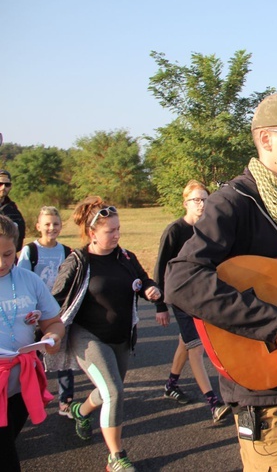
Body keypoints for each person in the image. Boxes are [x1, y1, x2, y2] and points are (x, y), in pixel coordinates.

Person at [164, 92, 277, 471]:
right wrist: (275, 322)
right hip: (261, 386)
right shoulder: (233, 203)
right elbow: (182, 278)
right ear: (266, 139)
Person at [46, 196, 161, 472]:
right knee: (113, 391)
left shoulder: (126, 257)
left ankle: (80, 412)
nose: (116, 235)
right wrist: (46, 328)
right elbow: (54, 300)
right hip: (87, 337)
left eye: (118, 229)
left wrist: (150, 289)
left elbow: (143, 279)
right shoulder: (78, 261)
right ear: (91, 233)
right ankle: (116, 456)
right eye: (110, 231)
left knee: (110, 391)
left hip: (120, 337)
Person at [154, 180, 230, 423]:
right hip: (180, 299)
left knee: (185, 343)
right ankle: (213, 403)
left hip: (201, 297)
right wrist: (160, 306)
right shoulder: (174, 230)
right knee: (196, 347)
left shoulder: (208, 229)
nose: (201, 204)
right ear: (185, 203)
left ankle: (171, 384)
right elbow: (160, 268)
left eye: (205, 199)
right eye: (196, 200)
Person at [0, 214, 65, 472]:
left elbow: (54, 322)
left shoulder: (29, 281)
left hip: (22, 386)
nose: (2, 262)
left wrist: (53, 337)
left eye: (7, 254)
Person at [17, 206, 74, 418]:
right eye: (47, 224)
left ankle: (65, 400)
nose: (52, 228)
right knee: (33, 359)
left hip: (57, 313)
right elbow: (21, 281)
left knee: (61, 355)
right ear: (38, 226)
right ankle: (34, 398)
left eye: (56, 224)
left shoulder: (67, 252)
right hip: (34, 315)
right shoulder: (30, 251)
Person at [0, 170, 26, 252]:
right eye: (0, 184)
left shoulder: (14, 211)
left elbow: (19, 239)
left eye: (7, 184)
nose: (3, 187)